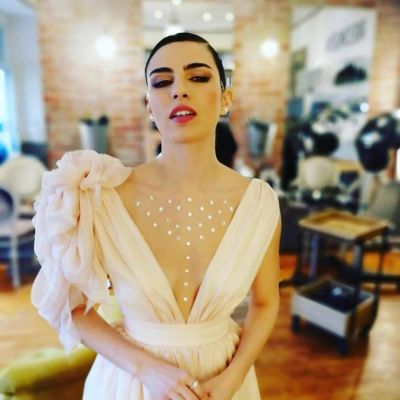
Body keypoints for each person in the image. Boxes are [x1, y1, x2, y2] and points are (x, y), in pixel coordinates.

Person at [31, 32, 281, 400]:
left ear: (225, 99)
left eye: (198, 77)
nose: (179, 90)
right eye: (162, 82)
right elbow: (74, 308)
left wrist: (235, 375)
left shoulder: (259, 202)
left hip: (224, 380)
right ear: (150, 105)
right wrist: (147, 369)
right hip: (130, 383)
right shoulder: (104, 195)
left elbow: (265, 302)